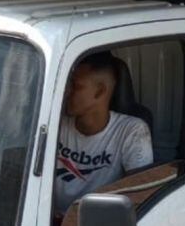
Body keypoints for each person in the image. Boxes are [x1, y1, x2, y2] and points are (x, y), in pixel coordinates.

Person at [53, 52, 153, 216]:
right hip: (48, 221)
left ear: (99, 91)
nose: (67, 91)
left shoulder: (131, 131)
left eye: (75, 86)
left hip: (96, 224)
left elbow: (139, 196)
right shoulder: (57, 123)